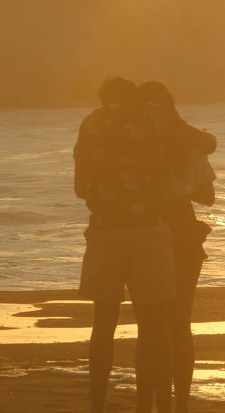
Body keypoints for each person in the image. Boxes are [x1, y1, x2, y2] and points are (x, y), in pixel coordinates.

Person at [74, 77, 175, 413]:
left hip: (107, 231)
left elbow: (80, 187)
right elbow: (199, 147)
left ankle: (97, 404)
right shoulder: (153, 121)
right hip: (149, 230)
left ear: (103, 98)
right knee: (153, 325)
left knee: (103, 324)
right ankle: (152, 405)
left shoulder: (91, 125)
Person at [137, 80, 216, 413]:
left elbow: (206, 195)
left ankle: (151, 404)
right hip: (181, 232)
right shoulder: (186, 141)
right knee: (178, 322)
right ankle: (176, 404)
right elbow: (207, 195)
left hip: (151, 234)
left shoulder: (133, 144)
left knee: (151, 325)